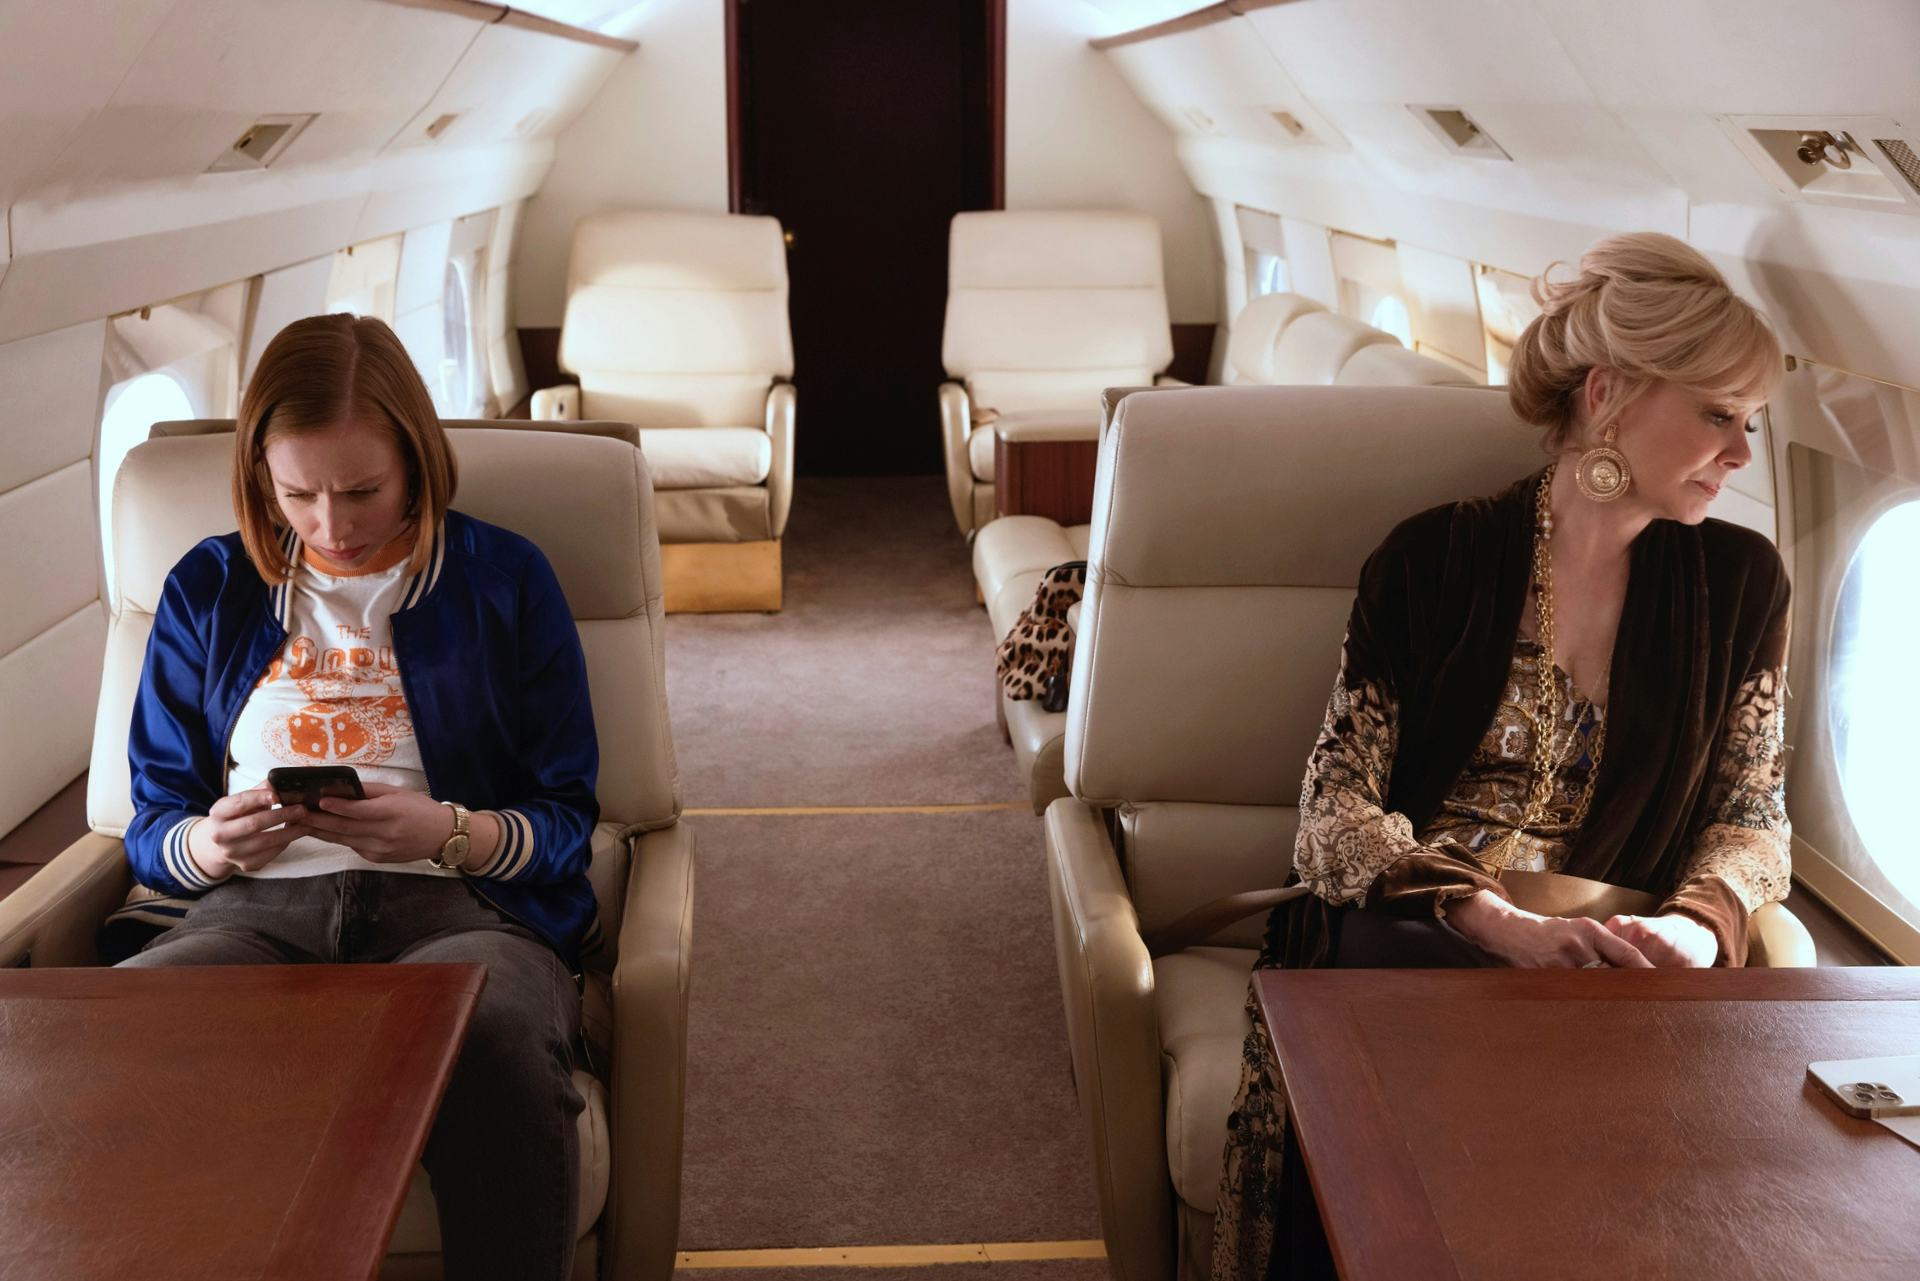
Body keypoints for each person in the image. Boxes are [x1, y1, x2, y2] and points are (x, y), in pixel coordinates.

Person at [1211, 232, 1792, 1280]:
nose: (1741, 455)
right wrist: (1490, 919)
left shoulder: (1744, 583)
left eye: (1750, 422)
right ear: (1608, 395)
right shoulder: (1431, 559)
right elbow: (1334, 811)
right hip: (1418, 926)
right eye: (1718, 415)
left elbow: (1752, 816)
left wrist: (1697, 927)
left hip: (1611, 955)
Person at [119, 313, 597, 1281]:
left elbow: (566, 820)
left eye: (362, 490)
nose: (332, 527)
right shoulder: (210, 586)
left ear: (417, 460)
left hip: (464, 909)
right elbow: (152, 819)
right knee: (133, 1029)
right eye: (297, 494)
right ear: (260, 476)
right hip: (249, 914)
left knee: (492, 1034)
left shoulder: (506, 579)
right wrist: (211, 846)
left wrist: (450, 831)